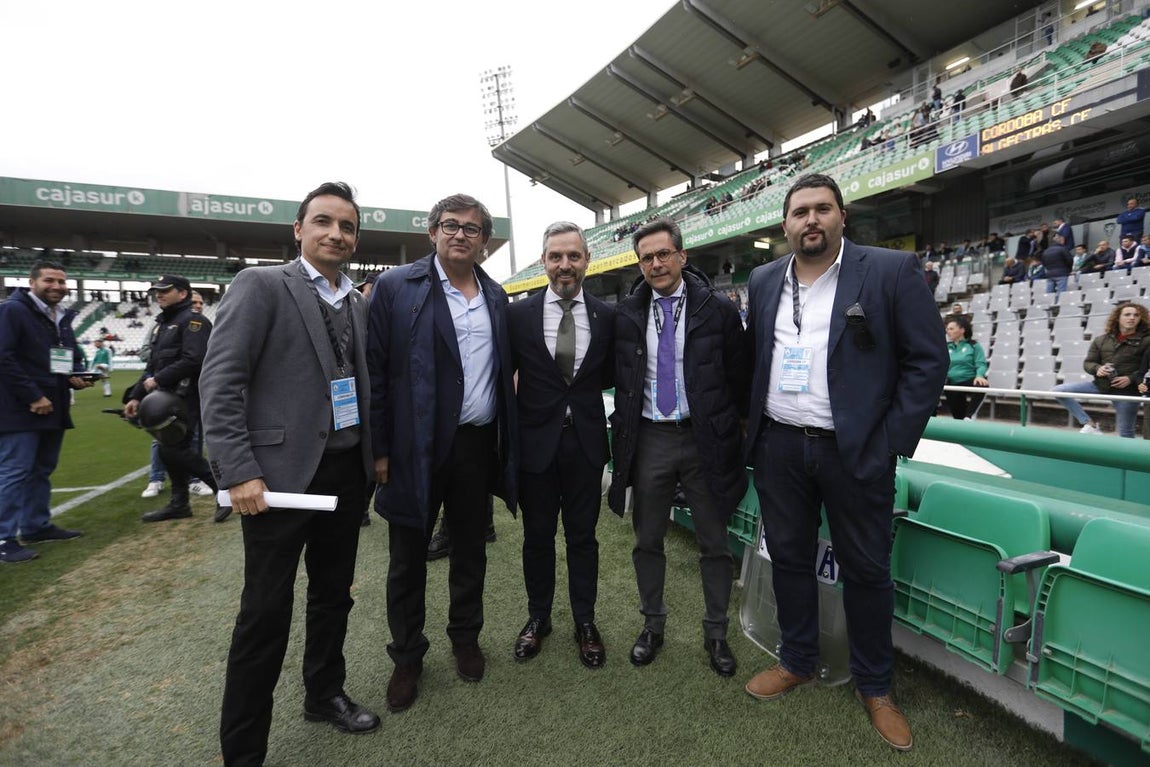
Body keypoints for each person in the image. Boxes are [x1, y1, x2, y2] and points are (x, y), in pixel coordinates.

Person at [742, 174, 948, 752]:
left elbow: (929, 361)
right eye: (800, 211)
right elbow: (754, 359)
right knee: (787, 557)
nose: (811, 219)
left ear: (841, 216)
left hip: (856, 450)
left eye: (822, 209)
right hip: (780, 444)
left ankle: (876, 687)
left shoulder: (887, 271)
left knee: (866, 570)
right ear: (784, 224)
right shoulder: (762, 280)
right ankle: (798, 659)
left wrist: (888, 441)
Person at [201, 182, 380, 766]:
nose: (336, 233)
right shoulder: (260, 285)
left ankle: (323, 694)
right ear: (298, 230)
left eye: (347, 226)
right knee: (264, 614)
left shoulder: (354, 300)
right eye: (323, 221)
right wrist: (239, 471)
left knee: (333, 597)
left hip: (344, 475)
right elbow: (221, 382)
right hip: (276, 480)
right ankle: (243, 750)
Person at [367, 193, 518, 713]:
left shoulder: (497, 297)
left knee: (470, 551)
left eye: (472, 228)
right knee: (406, 561)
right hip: (413, 449)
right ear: (432, 232)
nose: (460, 234)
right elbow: (378, 375)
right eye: (450, 225)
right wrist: (381, 450)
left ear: (483, 240)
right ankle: (407, 657)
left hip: (475, 446)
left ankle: (465, 637)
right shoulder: (395, 287)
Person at [607, 217, 746, 678]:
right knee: (647, 539)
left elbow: (739, 381)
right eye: (646, 257)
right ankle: (652, 625)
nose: (656, 263)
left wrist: (735, 437)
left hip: (705, 439)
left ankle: (716, 632)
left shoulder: (719, 310)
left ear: (682, 256)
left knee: (714, 542)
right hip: (650, 438)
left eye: (663, 254)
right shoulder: (627, 315)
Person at [508, 222, 615, 668]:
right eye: (556, 257)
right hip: (536, 446)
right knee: (537, 538)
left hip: (586, 446)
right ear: (544, 261)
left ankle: (584, 621)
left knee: (583, 538)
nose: (564, 265)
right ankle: (539, 617)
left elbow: (612, 378)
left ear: (587, 260)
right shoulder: (518, 316)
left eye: (573, 256)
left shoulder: (609, 317)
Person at [0, 261, 90, 564]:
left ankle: (36, 526)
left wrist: (76, 375)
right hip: (21, 408)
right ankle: (3, 538)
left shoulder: (58, 316)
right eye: (49, 280)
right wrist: (33, 395)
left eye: (62, 282)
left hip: (53, 405)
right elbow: (4, 357)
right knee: (14, 472)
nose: (57, 287)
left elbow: (60, 359)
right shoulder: (13, 310)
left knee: (41, 470)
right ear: (32, 282)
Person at [123, 274, 218, 522]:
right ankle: (180, 503)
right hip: (164, 398)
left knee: (175, 451)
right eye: (157, 290)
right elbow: (152, 366)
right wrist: (135, 396)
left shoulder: (194, 322)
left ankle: (222, 488)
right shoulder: (161, 325)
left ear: (183, 293)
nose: (159, 294)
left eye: (165, 290)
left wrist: (159, 380)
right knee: (170, 450)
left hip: (188, 397)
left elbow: (194, 360)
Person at [1052, 302, 1150, 437]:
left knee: (1126, 433)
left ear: (1141, 319)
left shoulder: (1147, 340)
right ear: (1118, 318)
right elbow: (1088, 363)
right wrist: (1098, 368)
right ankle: (1089, 424)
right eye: (1127, 314)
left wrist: (1130, 378)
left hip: (1128, 391)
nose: (1132, 318)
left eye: (1136, 315)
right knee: (1059, 390)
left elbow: (1146, 369)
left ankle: (1125, 457)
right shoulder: (1101, 340)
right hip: (1101, 385)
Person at [943, 315, 989, 420]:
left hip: (969, 380)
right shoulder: (946, 347)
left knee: (981, 385)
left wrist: (980, 375)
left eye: (951, 329)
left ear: (962, 330)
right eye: (947, 329)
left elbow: (981, 363)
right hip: (951, 382)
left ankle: (970, 416)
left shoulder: (973, 345)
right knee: (958, 417)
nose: (948, 331)